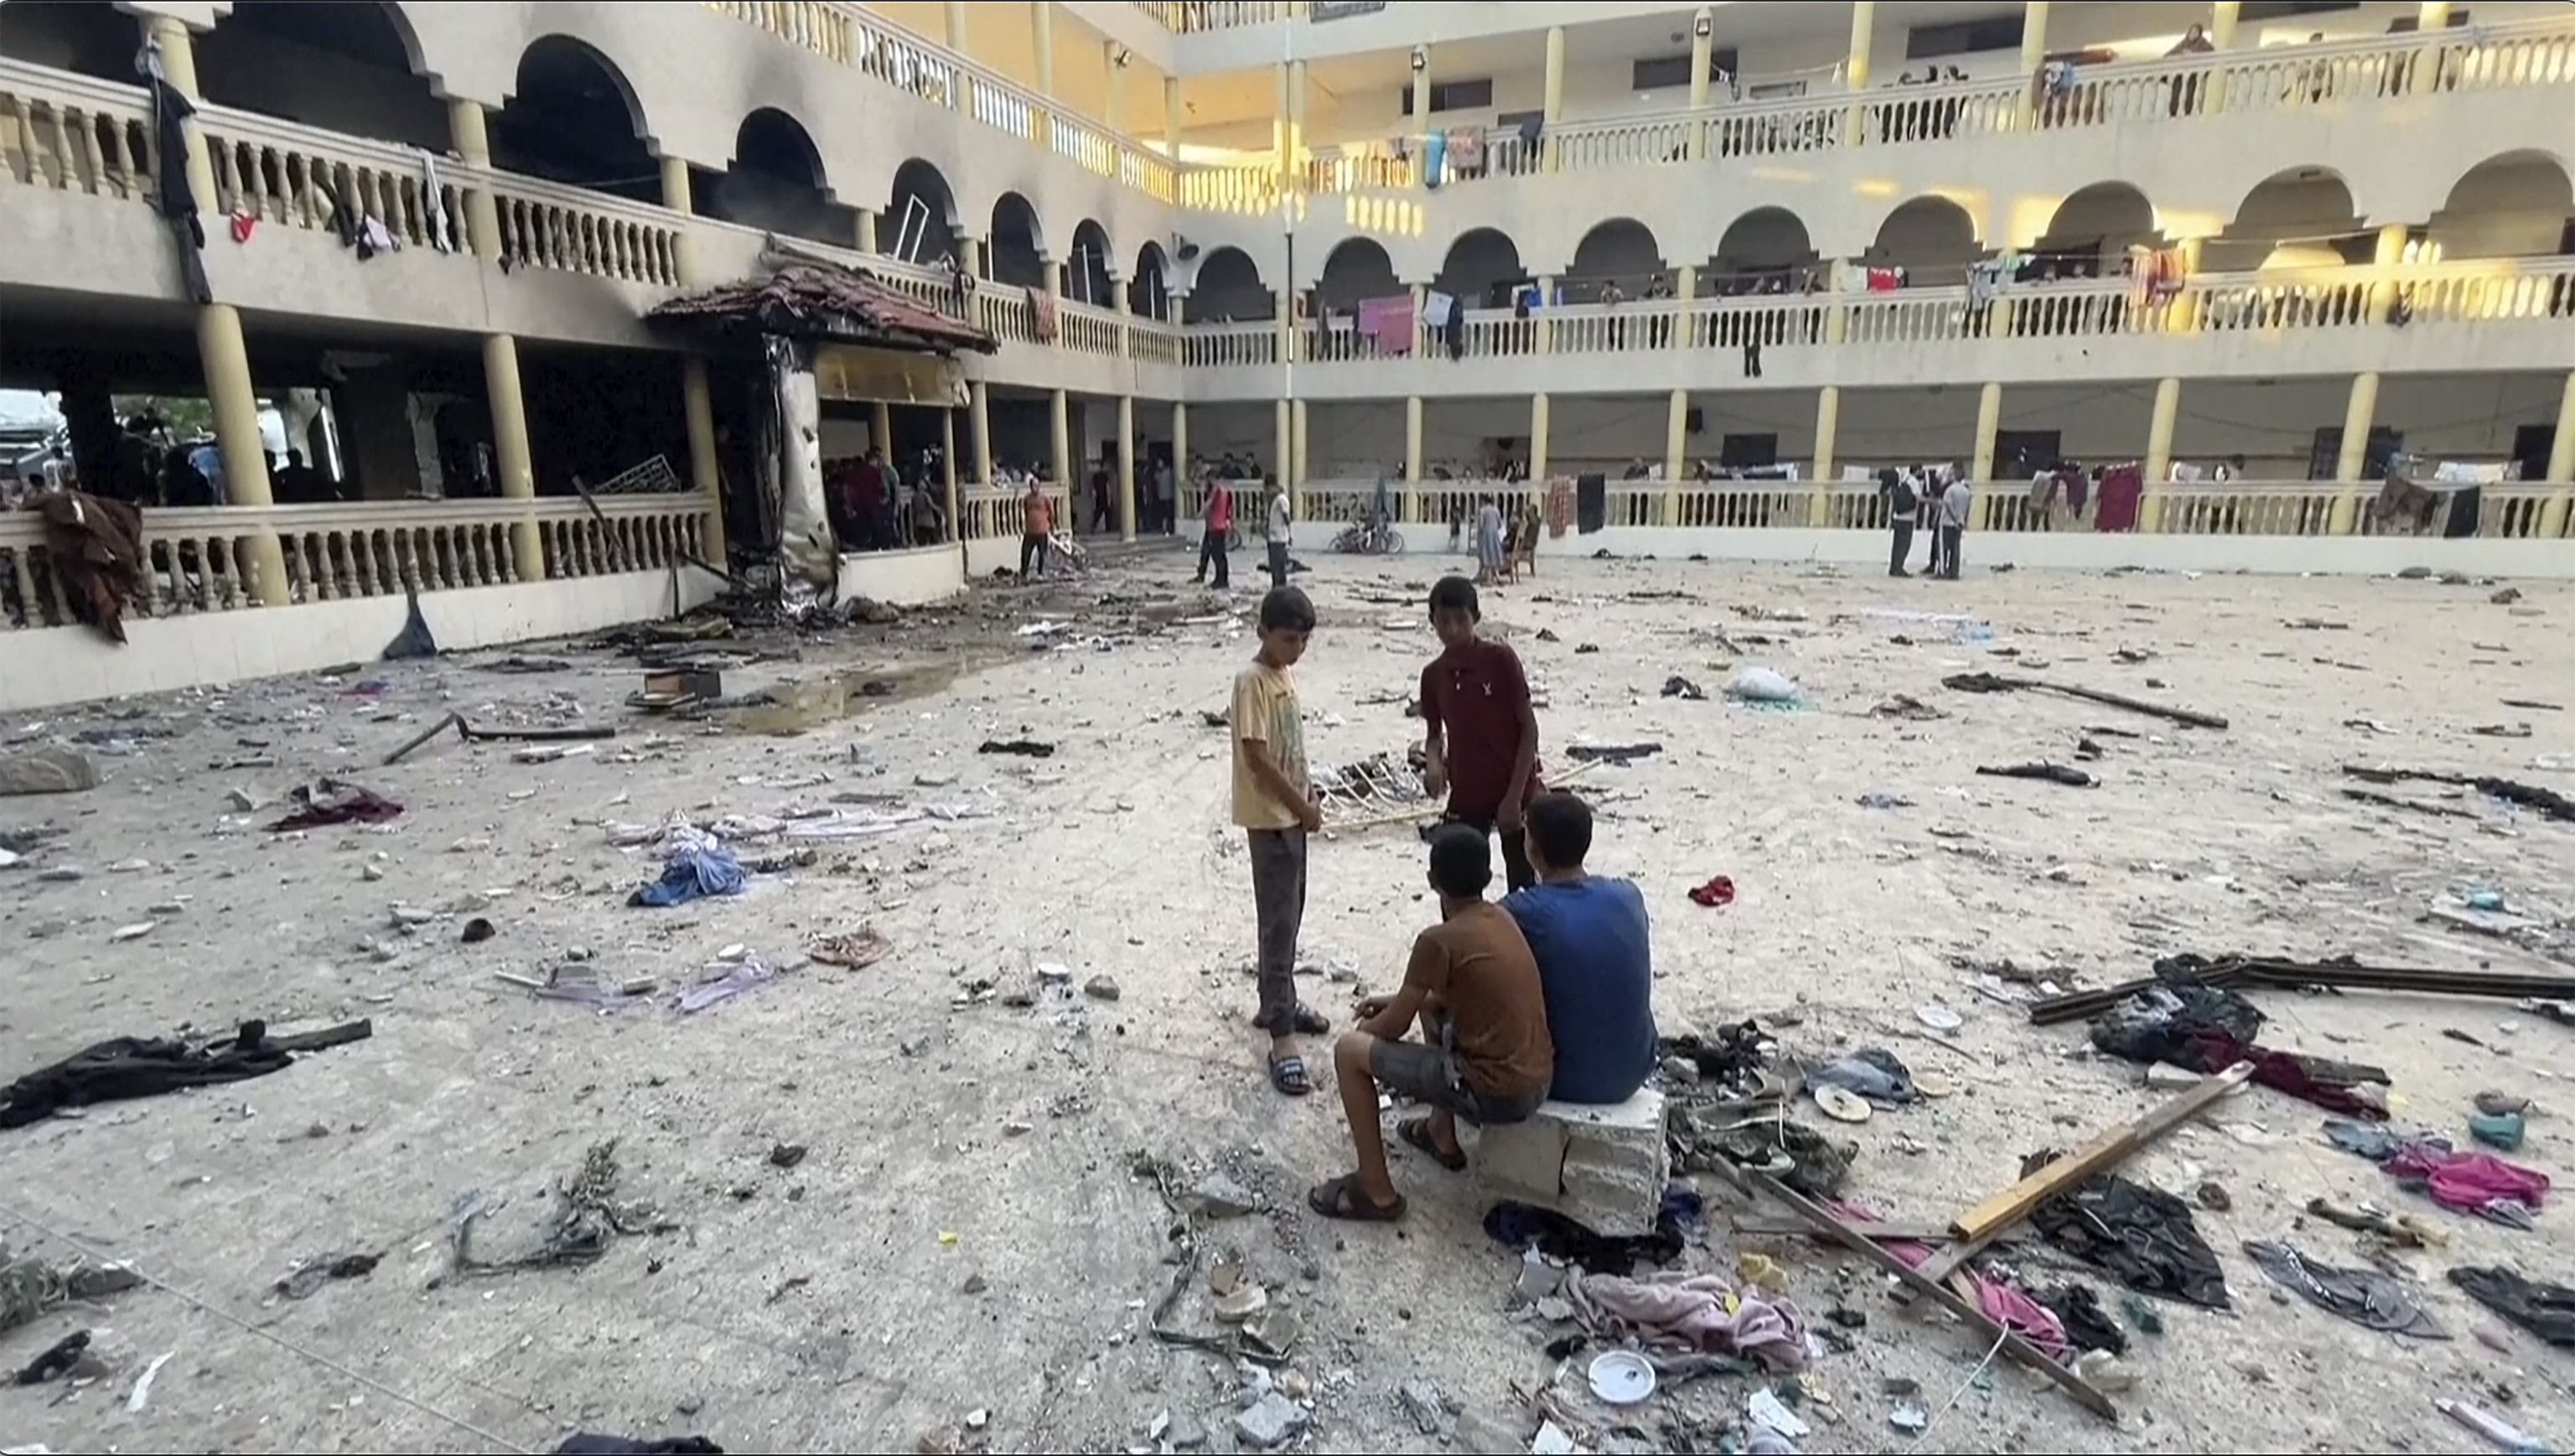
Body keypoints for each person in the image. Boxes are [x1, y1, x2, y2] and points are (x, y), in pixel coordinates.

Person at [1308, 825, 1554, 1222]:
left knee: (1348, 1052)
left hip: (1492, 1092)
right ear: (1487, 878)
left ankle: (1376, 1190)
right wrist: (1401, 1000)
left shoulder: (1437, 940)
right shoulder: (1502, 918)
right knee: (1430, 1010)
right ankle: (1442, 1133)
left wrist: (1363, 1037)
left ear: (1431, 880)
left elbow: (1391, 1028)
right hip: (1538, 1080)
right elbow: (1450, 995)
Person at [1233, 585, 1327, 1096]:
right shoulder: (1252, 680)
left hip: (1292, 815)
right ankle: (1280, 1035)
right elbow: (1259, 758)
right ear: (1264, 632)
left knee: (1292, 914)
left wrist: (1309, 794)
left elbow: (1290, 748)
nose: (1298, 649)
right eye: (1290, 639)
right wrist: (1299, 806)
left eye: (1304, 641)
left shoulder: (1283, 675)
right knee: (1277, 922)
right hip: (1272, 821)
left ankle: (1281, 1000)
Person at [1502, 793, 1655, 1106]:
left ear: (1531, 848)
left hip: (1569, 1080)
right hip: (1636, 1068)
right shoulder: (1628, 894)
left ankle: (1443, 1127)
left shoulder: (1521, 911)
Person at [1421, 576, 1541, 893]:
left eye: (1460, 620)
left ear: (1476, 618)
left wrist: (1514, 798)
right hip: (1467, 791)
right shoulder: (1433, 675)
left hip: (1513, 784)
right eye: (1443, 621)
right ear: (1432, 621)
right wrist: (1433, 764)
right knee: (1458, 882)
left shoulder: (1500, 660)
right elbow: (1434, 731)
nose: (1452, 629)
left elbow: (1529, 728)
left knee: (1523, 883)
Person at [1195, 474, 1232, 588]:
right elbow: (1229, 508)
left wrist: (1200, 514)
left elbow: (1209, 503)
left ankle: (1220, 580)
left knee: (1217, 555)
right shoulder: (1226, 491)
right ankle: (1222, 578)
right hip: (1220, 525)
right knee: (1220, 554)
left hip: (1215, 526)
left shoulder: (1216, 490)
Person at [1881, 468, 1917, 578]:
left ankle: (1894, 567)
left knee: (1896, 545)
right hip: (1907, 518)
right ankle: (1899, 568)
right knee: (1904, 545)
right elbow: (1918, 496)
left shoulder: (1899, 483)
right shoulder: (1913, 482)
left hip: (1898, 516)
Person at [1018, 477, 1053, 579]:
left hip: (1042, 530)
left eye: (1036, 486)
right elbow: (1025, 511)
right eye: (1033, 486)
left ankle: (1040, 572)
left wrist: (1051, 526)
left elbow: (1051, 513)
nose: (1035, 488)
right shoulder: (1027, 499)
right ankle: (1024, 572)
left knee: (1042, 553)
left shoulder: (1044, 499)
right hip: (1030, 531)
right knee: (1025, 553)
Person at [1937, 473, 1971, 580]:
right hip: (1959, 523)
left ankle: (1942, 571)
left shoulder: (1950, 490)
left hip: (1947, 522)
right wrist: (1962, 520)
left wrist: (1955, 518)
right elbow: (1967, 507)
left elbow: (1949, 505)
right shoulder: (1966, 491)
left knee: (1943, 548)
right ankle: (1954, 572)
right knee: (1955, 548)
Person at [1265, 472, 1292, 589]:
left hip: (1279, 536)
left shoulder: (1281, 499)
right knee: (1274, 564)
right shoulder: (1275, 499)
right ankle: (1276, 585)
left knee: (1278, 564)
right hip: (1274, 536)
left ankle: (1280, 586)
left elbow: (1286, 518)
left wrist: (1289, 533)